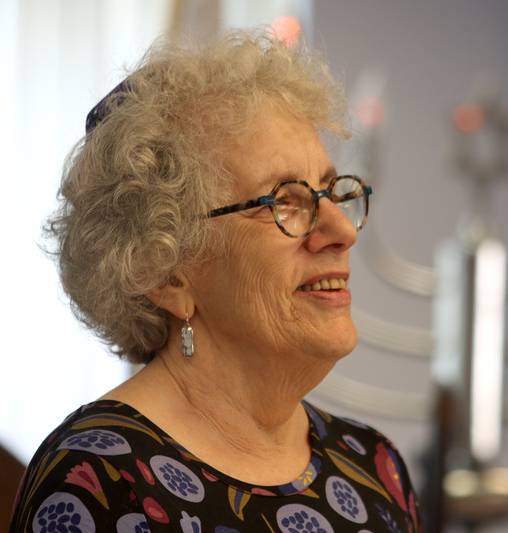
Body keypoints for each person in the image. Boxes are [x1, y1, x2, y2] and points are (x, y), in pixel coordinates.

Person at [10, 29, 421, 533]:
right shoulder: (99, 480)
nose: (339, 230)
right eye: (284, 200)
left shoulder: (373, 466)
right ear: (165, 271)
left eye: (332, 191)